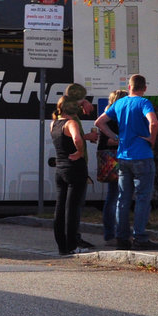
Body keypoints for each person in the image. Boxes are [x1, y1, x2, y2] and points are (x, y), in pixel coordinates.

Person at [95, 73, 158, 251]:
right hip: (142, 155)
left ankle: (121, 238)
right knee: (142, 198)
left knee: (122, 199)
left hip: (123, 156)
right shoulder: (144, 103)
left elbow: (99, 122)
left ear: (129, 87)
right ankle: (140, 237)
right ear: (144, 88)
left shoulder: (119, 103)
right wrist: (151, 139)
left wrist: (116, 137)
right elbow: (153, 123)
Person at [51, 83, 92, 255]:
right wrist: (79, 151)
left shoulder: (54, 124)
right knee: (72, 209)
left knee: (60, 208)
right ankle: (72, 246)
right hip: (75, 168)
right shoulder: (71, 122)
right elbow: (76, 139)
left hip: (60, 168)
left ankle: (62, 246)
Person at [96, 89, 127, 245]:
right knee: (115, 196)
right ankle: (111, 234)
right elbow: (109, 141)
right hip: (114, 158)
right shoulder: (114, 116)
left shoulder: (107, 113)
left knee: (113, 196)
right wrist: (125, 140)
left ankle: (112, 233)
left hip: (108, 158)